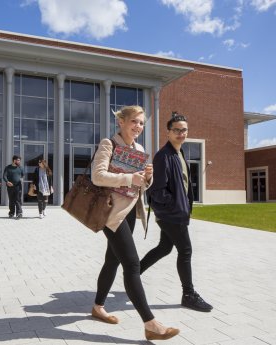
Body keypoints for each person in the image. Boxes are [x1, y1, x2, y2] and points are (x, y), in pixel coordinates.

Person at [91, 105, 180, 341]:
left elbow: (140, 185)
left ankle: (98, 306)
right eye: (134, 122)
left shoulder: (139, 149)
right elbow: (97, 176)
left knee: (112, 260)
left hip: (130, 211)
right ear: (121, 122)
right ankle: (150, 324)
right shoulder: (108, 144)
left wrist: (147, 178)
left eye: (141, 123)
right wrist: (131, 176)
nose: (138, 127)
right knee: (131, 264)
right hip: (111, 213)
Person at [140, 112, 213, 312]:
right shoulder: (163, 156)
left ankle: (133, 272)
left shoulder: (179, 152)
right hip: (171, 215)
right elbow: (157, 190)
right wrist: (175, 205)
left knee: (164, 247)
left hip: (176, 213)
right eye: (177, 130)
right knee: (186, 250)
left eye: (184, 130)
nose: (181, 133)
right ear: (168, 132)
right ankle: (188, 294)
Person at [3, 155, 24, 219]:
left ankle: (19, 213)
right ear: (14, 160)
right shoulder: (8, 167)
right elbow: (4, 176)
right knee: (11, 200)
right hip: (10, 187)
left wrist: (21, 179)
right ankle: (11, 213)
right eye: (18, 160)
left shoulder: (20, 168)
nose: (19, 161)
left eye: (19, 160)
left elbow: (22, 175)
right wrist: (7, 181)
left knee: (18, 199)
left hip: (18, 186)